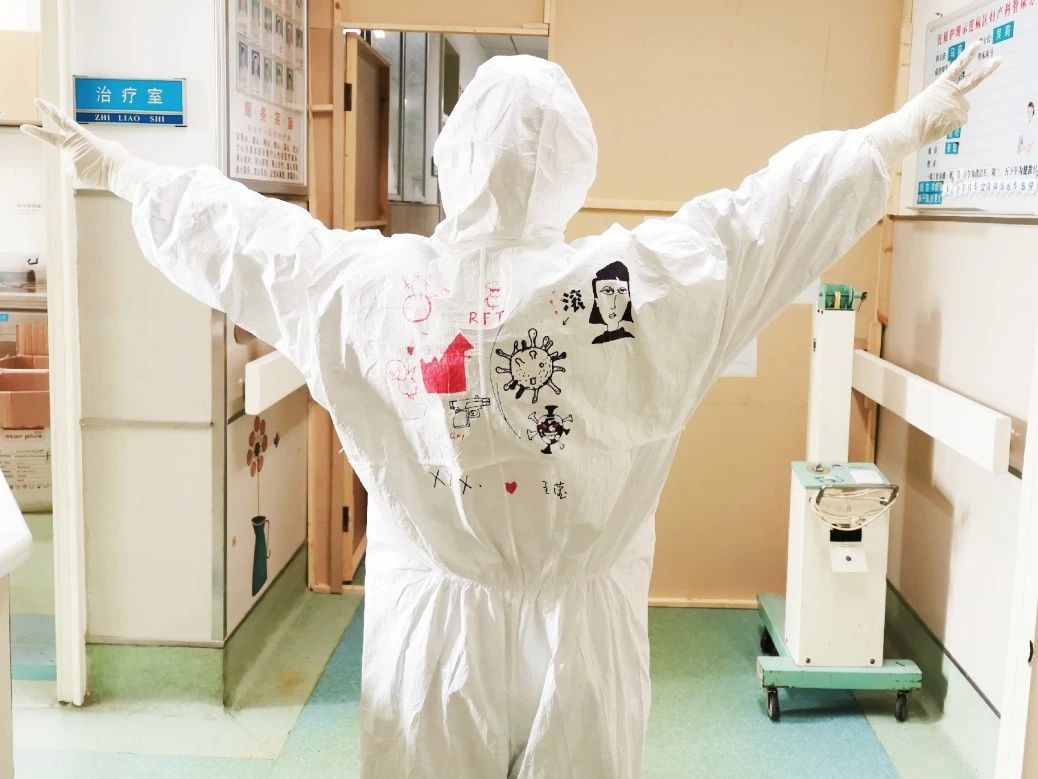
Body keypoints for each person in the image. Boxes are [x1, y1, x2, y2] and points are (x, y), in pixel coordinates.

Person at [23, 43, 998, 778]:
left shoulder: (375, 284)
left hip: (432, 623)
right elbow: (761, 222)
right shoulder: (632, 284)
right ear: (575, 162)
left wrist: (127, 175)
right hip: (584, 631)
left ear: (454, 154)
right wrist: (893, 135)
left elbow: (251, 244)